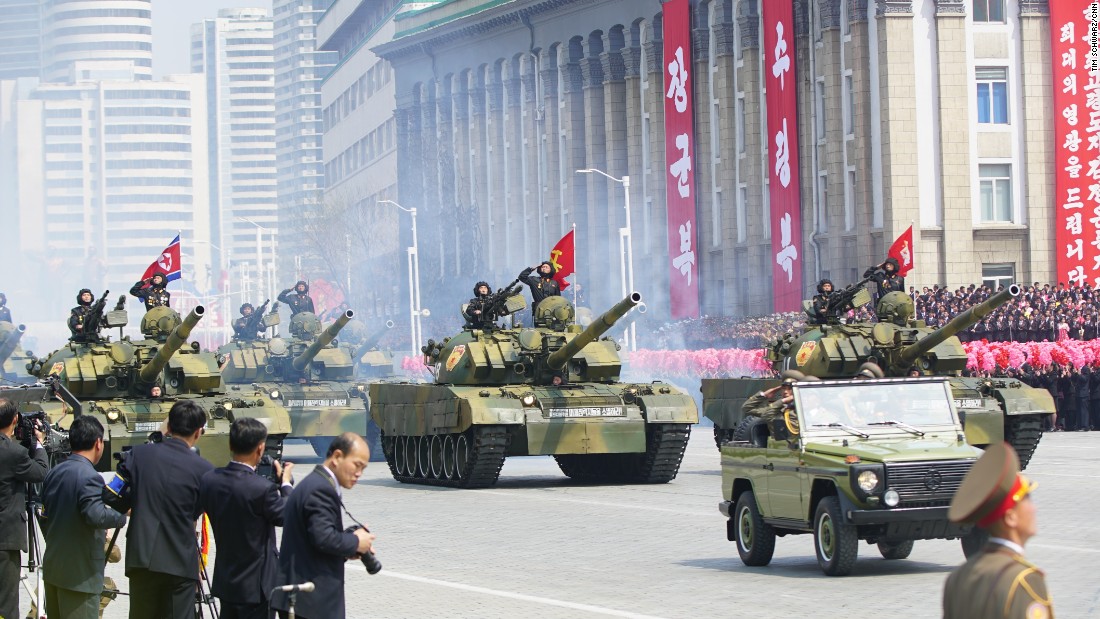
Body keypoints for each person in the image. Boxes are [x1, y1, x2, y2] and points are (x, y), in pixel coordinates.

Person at [115, 399, 214, 619]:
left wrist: (135, 503)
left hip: (142, 559)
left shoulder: (137, 455)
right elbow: (203, 509)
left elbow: (111, 494)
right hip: (179, 561)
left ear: (168, 427)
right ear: (198, 433)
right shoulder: (205, 469)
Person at [943, 442, 1052, 618]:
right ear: (1010, 517)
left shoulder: (958, 577)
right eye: (1027, 499)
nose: (1035, 509)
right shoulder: (1024, 580)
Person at [271, 433, 374, 619]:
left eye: (363, 468)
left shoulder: (318, 483)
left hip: (306, 599)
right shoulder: (320, 489)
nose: (359, 473)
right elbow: (323, 537)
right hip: (309, 602)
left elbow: (314, 540)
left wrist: (349, 547)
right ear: (337, 457)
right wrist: (356, 541)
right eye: (357, 465)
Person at [200, 418, 294, 619]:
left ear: (230, 445)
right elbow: (287, 516)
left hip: (227, 582)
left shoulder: (210, 480)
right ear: (260, 449)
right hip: (256, 587)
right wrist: (286, 485)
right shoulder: (262, 488)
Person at [40, 416, 128, 619]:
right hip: (79, 577)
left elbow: (44, 518)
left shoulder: (55, 472)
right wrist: (121, 514)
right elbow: (95, 515)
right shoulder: (89, 476)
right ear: (98, 443)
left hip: (55, 570)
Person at [0, 398, 47, 619]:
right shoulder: (13, 453)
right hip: (4, 540)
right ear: (15, 419)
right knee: (6, 604)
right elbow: (40, 472)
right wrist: (38, 444)